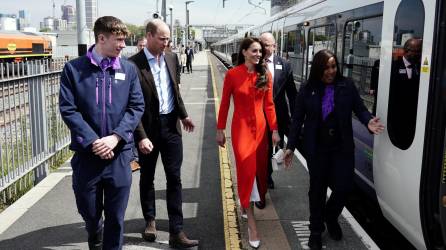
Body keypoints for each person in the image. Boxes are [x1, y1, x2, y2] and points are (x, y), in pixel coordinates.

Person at [283, 49, 384, 250]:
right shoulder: (307, 88)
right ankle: (316, 230)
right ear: (318, 69)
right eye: (326, 67)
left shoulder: (347, 85)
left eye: (333, 66)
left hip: (342, 148)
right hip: (317, 149)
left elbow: (360, 108)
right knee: (317, 191)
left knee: (344, 188)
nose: (330, 71)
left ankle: (331, 216)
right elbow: (297, 119)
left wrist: (368, 122)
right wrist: (291, 146)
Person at [59, 16, 145, 250]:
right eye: (118, 40)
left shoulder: (128, 69)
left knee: (116, 219)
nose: (122, 45)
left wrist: (115, 137)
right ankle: (94, 233)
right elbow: (68, 109)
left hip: (120, 155)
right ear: (101, 38)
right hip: (88, 156)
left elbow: (136, 106)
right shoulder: (73, 69)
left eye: (123, 40)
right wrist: (94, 141)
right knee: (90, 213)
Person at [128, 19, 198, 248]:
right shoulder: (132, 65)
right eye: (162, 38)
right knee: (147, 176)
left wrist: (184, 115)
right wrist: (140, 136)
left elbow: (174, 90)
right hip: (147, 129)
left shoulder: (171, 57)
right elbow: (131, 106)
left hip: (171, 127)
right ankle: (150, 221)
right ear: (148, 36)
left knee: (174, 178)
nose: (166, 43)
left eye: (168, 39)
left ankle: (177, 231)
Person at [216, 37, 280, 249]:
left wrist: (275, 130)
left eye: (260, 51)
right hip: (241, 132)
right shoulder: (233, 75)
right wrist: (220, 129)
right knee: (247, 171)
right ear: (244, 52)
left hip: (261, 133)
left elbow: (269, 105)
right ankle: (252, 225)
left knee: (260, 173)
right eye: (254, 50)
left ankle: (245, 204)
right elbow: (225, 102)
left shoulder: (266, 75)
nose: (258, 54)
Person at [258, 32, 297, 204]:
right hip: (258, 115)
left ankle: (268, 175)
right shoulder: (253, 63)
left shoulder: (285, 65)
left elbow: (292, 94)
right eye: (262, 44)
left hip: (278, 116)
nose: (265, 48)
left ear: (275, 46)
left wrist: (296, 116)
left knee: (275, 149)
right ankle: (263, 181)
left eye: (268, 45)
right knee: (260, 150)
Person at [387, 38, 422, 149]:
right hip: (396, 117)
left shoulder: (421, 67)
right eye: (416, 51)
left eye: (419, 51)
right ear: (406, 51)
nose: (418, 54)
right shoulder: (393, 67)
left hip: (413, 117)